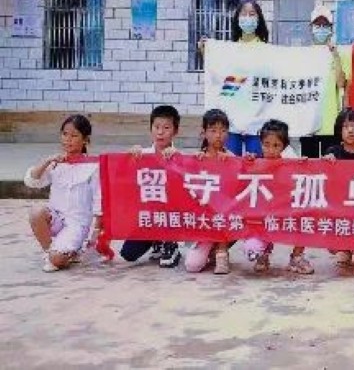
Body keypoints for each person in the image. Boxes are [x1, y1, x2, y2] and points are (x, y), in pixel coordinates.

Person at [25, 114, 102, 272]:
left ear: (85, 140)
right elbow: (32, 181)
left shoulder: (93, 166)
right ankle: (50, 252)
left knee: (57, 261)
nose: (68, 139)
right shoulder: (56, 163)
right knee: (36, 212)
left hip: (77, 224)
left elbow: (98, 200)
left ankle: (67, 252)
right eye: (65, 134)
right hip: (56, 219)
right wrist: (48, 161)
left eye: (74, 135)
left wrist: (94, 236)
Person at [198, 0, 270, 157]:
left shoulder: (268, 51)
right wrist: (207, 52)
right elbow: (217, 74)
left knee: (256, 165)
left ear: (259, 19)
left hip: (257, 119)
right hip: (232, 119)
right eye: (244, 14)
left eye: (252, 14)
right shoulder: (228, 51)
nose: (248, 18)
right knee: (228, 163)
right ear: (237, 19)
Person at [243, 120, 315, 275]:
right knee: (251, 250)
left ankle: (297, 256)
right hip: (263, 219)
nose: (271, 150)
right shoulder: (254, 162)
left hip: (285, 215)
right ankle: (263, 252)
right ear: (260, 143)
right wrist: (247, 163)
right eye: (266, 144)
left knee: (306, 218)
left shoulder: (291, 163)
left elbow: (307, 183)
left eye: (276, 145)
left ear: (284, 146)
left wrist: (303, 165)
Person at [120, 105, 182, 268]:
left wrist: (176, 162)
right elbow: (124, 179)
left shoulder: (179, 157)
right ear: (150, 129)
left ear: (175, 131)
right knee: (128, 254)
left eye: (166, 128)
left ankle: (170, 243)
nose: (160, 132)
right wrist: (130, 158)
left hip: (170, 217)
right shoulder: (142, 155)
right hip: (148, 217)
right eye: (156, 127)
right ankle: (156, 240)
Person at [323, 107, 354, 276]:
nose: (350, 130)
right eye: (345, 126)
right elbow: (324, 178)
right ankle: (344, 248)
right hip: (339, 205)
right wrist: (326, 162)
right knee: (338, 230)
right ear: (339, 130)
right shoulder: (333, 152)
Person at [184, 109, 235, 275]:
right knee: (192, 266)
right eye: (213, 130)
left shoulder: (232, 158)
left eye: (223, 130)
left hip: (224, 220)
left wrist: (237, 162)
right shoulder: (197, 158)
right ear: (204, 132)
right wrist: (192, 163)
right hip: (204, 221)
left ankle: (222, 251)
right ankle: (210, 249)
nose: (218, 135)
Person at [311, 5, 350, 140]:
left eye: (325, 25)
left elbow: (341, 83)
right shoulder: (305, 54)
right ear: (311, 28)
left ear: (331, 29)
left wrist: (335, 55)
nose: (321, 28)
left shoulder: (340, 54)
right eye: (318, 25)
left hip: (331, 122)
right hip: (309, 122)